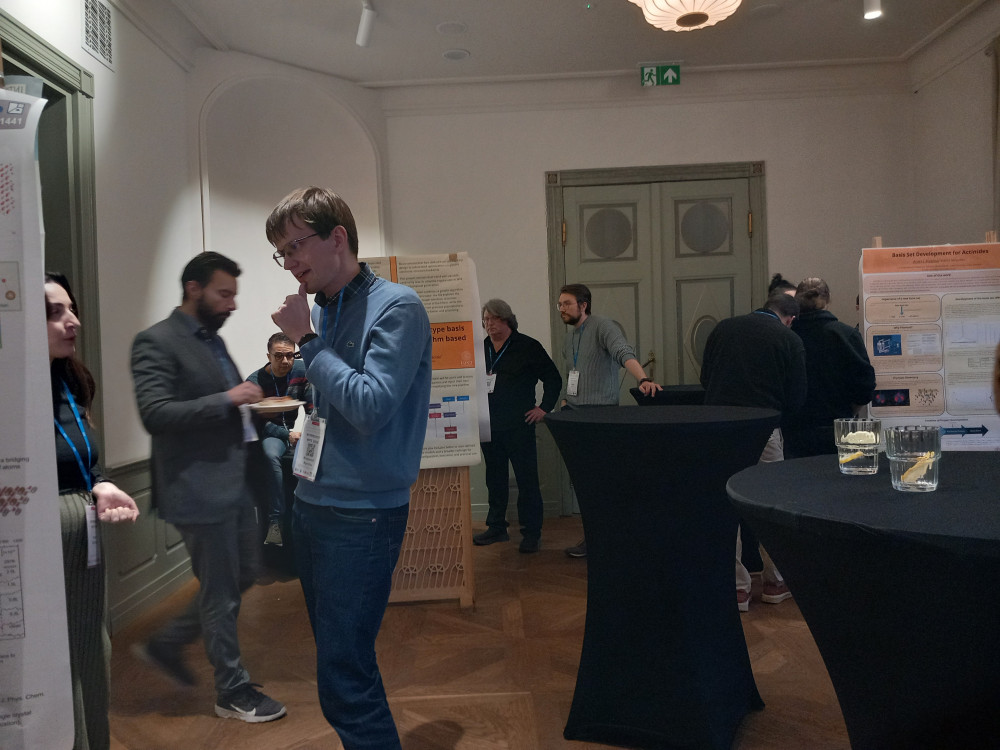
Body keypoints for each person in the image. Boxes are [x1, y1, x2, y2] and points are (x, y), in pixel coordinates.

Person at [268, 186, 432, 750]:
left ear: (337, 237)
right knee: (341, 664)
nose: (290, 263)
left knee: (345, 676)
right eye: (282, 253)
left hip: (362, 515)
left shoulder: (398, 306)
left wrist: (306, 341)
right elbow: (327, 402)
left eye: (295, 246)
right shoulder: (323, 308)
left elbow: (369, 407)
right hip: (312, 503)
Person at [130, 252, 286, 723]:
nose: (232, 304)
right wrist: (229, 398)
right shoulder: (155, 341)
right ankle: (232, 693)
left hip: (233, 483)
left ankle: (166, 643)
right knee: (221, 593)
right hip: (196, 489)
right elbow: (155, 413)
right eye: (224, 294)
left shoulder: (211, 340)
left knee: (244, 575)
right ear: (193, 289)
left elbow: (223, 407)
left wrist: (247, 406)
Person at [46, 272, 140, 750]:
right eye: (54, 312)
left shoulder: (71, 380)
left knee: (90, 651)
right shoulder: (13, 391)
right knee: (53, 659)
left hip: (82, 535)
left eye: (72, 309)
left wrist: (100, 483)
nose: (73, 321)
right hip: (41, 543)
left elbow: (83, 455)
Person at [700, 291, 807, 611]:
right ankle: (775, 582)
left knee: (726, 506)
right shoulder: (789, 339)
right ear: (790, 319)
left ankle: (737, 588)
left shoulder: (723, 328)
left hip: (720, 426)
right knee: (771, 505)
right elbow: (797, 397)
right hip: (764, 427)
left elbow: (706, 378)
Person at [557, 283, 661, 557]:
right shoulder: (569, 338)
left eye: (567, 304)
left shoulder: (603, 326)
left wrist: (643, 379)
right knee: (585, 483)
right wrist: (565, 401)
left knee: (603, 483)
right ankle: (594, 538)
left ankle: (611, 540)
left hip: (600, 416)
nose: (562, 309)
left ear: (583, 305)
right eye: (560, 304)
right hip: (575, 416)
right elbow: (570, 373)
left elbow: (623, 352)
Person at [473, 298, 562, 553]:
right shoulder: (481, 349)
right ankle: (496, 527)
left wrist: (544, 408)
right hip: (489, 427)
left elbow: (553, 378)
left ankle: (531, 533)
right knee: (495, 479)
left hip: (519, 427)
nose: (489, 324)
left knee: (527, 480)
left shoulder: (528, 346)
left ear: (507, 320)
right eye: (486, 319)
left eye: (494, 319)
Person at [784, 277, 876, 458]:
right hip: (839, 427)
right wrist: (850, 411)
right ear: (828, 300)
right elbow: (865, 384)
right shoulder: (846, 334)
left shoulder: (786, 337)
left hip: (796, 431)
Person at [246, 332, 311, 546]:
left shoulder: (301, 370)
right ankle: (275, 521)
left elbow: (312, 406)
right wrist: (287, 435)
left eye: (290, 355)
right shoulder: (255, 382)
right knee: (270, 455)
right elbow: (256, 423)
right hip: (269, 433)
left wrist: (312, 431)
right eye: (279, 356)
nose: (285, 361)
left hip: (292, 431)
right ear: (269, 356)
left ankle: (308, 519)